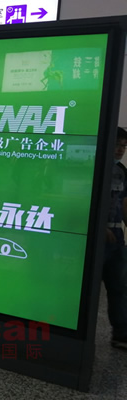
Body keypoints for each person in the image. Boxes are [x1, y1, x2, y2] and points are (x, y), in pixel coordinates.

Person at [103, 127, 127, 349]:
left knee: (118, 287)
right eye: (117, 144)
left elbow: (123, 202)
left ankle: (120, 333)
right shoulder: (95, 168)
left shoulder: (122, 171)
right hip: (98, 240)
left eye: (123, 146)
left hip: (117, 239)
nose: (120, 150)